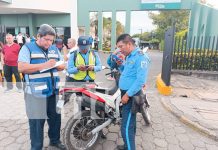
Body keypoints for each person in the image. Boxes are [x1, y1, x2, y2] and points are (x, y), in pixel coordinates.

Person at [18, 24, 66, 150]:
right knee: (37, 123)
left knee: (55, 118)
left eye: (51, 40)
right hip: (35, 94)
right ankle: (36, 147)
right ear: (38, 36)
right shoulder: (27, 48)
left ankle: (55, 141)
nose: (49, 43)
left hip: (54, 91)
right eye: (46, 39)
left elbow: (62, 65)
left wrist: (60, 65)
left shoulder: (54, 49)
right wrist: (44, 65)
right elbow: (21, 67)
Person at [115, 34, 150, 150]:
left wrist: (127, 95)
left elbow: (140, 80)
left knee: (125, 127)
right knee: (131, 124)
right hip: (126, 93)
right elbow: (128, 71)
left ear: (129, 44)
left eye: (121, 46)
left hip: (131, 95)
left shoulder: (141, 56)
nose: (120, 50)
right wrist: (120, 65)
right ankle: (127, 146)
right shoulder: (130, 56)